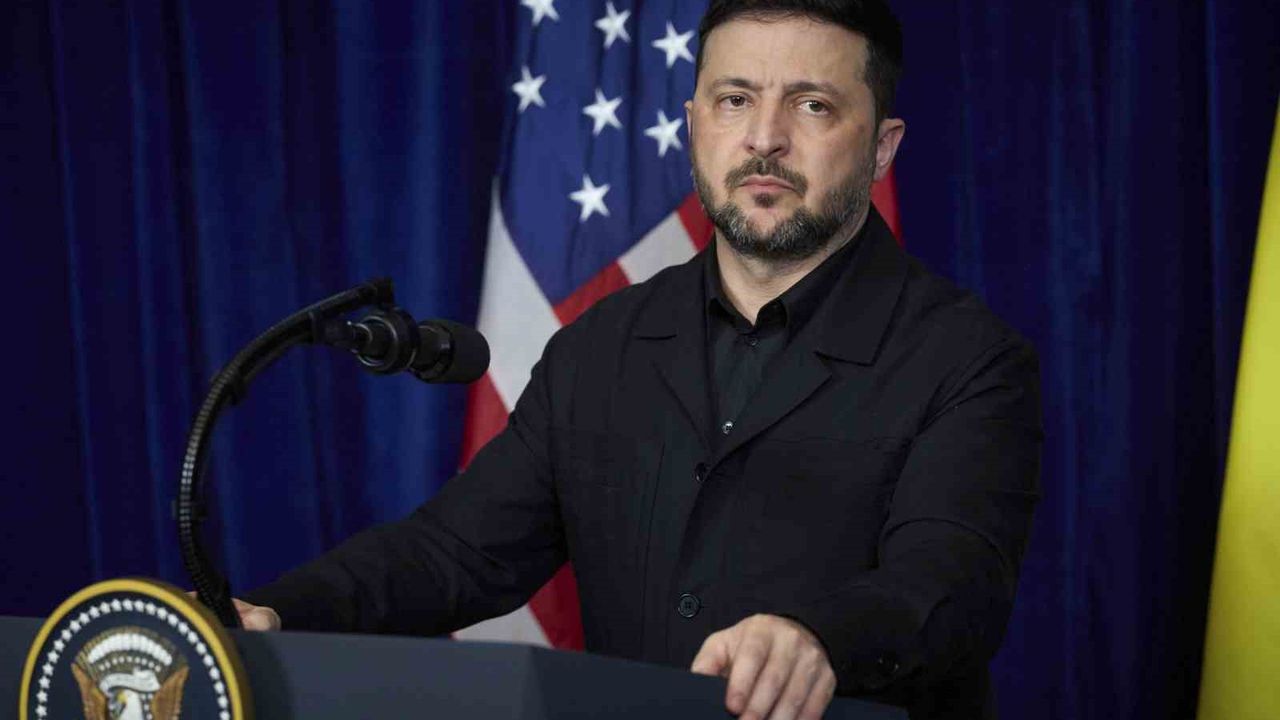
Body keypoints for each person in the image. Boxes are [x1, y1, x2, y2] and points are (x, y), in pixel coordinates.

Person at [237, 2, 1042, 719]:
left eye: (813, 105)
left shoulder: (969, 357)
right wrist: (277, 615)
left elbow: (952, 578)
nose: (764, 138)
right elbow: (455, 553)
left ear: (882, 147)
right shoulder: (601, 344)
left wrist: (821, 639)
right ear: (694, 123)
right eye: (735, 99)